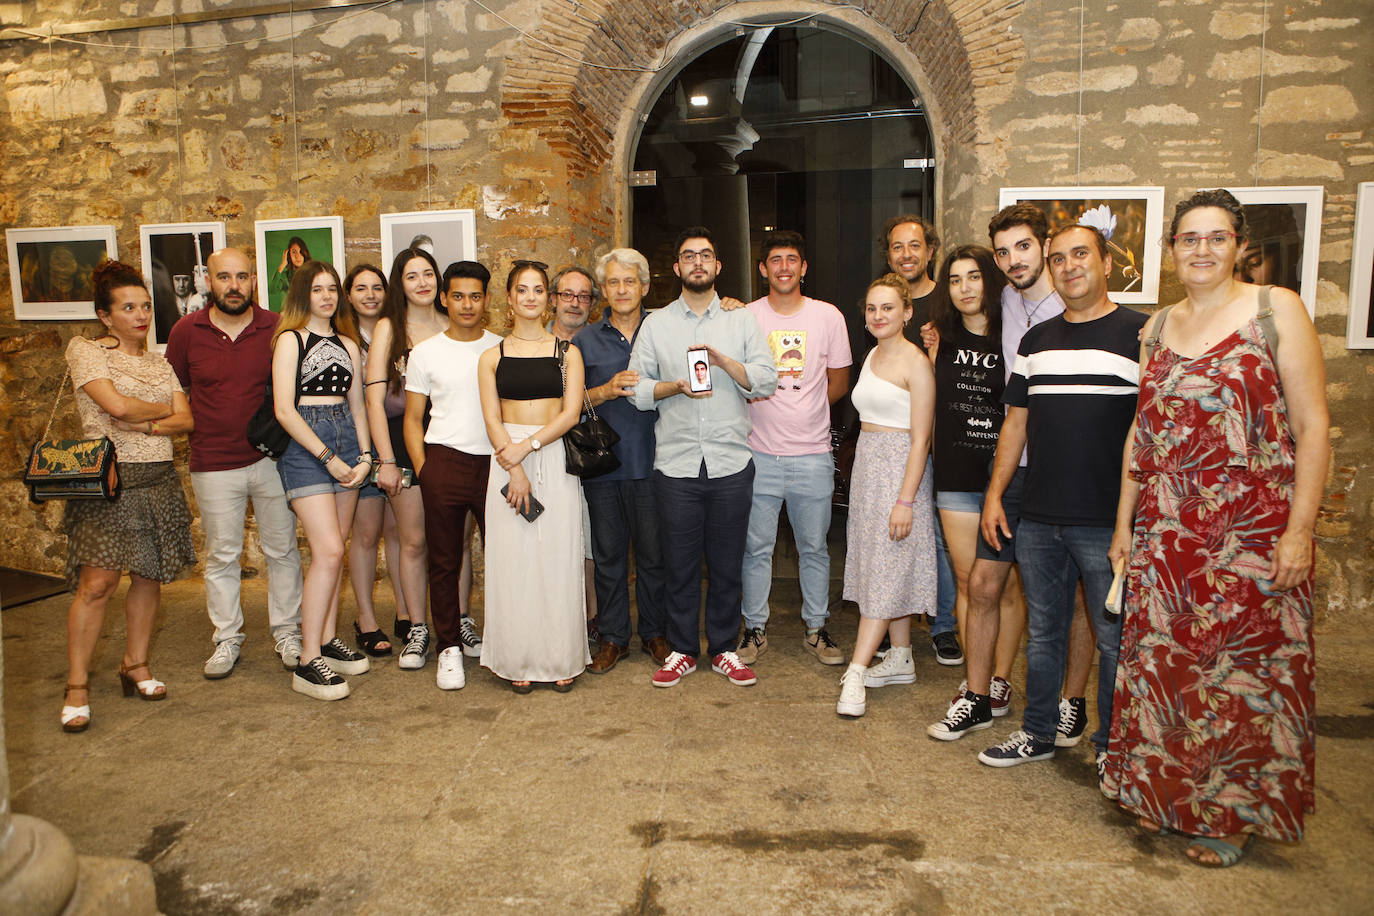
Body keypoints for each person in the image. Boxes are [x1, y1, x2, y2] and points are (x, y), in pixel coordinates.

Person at [1103, 189, 1327, 867]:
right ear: (1171, 249)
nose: (1202, 249)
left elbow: (1314, 426)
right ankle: (1167, 797)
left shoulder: (1274, 310)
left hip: (1253, 531)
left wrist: (1300, 529)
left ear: (1238, 244)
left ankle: (1229, 815)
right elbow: (1142, 434)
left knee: (1239, 677)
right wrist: (1125, 525)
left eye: (1216, 237)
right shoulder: (1154, 328)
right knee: (1168, 673)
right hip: (1170, 532)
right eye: (1189, 238)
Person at [975, 225, 1147, 767]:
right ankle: (1038, 733)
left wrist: (1129, 522)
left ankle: (1110, 749)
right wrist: (996, 495)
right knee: (1044, 633)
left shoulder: (1141, 336)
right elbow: (1015, 425)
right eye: (1059, 258)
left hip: (1105, 523)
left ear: (1105, 261)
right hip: (1039, 518)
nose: (1070, 266)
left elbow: (1147, 436)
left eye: (1081, 254)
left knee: (1114, 641)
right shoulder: (1036, 340)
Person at [926, 205, 1093, 741]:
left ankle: (1071, 702)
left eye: (1023, 247)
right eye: (1004, 251)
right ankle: (976, 696)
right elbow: (942, 289)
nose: (1013, 259)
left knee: (1072, 596)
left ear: (1043, 246)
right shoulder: (1004, 301)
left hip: (1069, 470)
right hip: (1015, 469)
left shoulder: (1070, 304)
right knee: (983, 581)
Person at [630, 226, 779, 689]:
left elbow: (767, 380)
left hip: (731, 462)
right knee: (679, 562)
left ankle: (723, 649)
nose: (698, 263)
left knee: (728, 561)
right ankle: (681, 650)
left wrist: (723, 361)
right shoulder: (656, 324)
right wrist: (672, 386)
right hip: (675, 465)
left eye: (706, 256)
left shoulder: (740, 322)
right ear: (676, 268)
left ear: (718, 267)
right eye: (689, 256)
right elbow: (634, 388)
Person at [58, 259, 196, 732]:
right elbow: (113, 406)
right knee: (97, 585)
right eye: (128, 307)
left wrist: (147, 418)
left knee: (147, 577)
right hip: (108, 481)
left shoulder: (159, 362)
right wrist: (161, 412)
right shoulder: (87, 352)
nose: (140, 315)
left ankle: (135, 664)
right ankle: (77, 684)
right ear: (105, 315)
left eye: (145, 306)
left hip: (157, 477)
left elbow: (187, 420)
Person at [166, 247, 304, 680]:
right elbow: (175, 392)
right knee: (221, 555)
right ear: (209, 281)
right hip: (213, 462)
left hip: (272, 460)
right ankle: (227, 638)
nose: (233, 285)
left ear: (254, 281)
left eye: (242, 276)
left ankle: (287, 633)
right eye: (224, 277)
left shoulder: (278, 327)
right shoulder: (186, 331)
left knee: (282, 550)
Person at [736, 230, 851, 667]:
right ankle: (755, 629)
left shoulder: (828, 317)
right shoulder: (745, 317)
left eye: (792, 260)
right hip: (758, 454)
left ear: (803, 268)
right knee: (756, 548)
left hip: (812, 455)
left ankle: (817, 628)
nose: (784, 267)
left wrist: (802, 410)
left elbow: (839, 379)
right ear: (763, 269)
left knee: (814, 548)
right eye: (775, 260)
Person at [476, 260, 589, 692]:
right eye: (521, 290)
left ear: (549, 298)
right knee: (513, 561)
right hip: (507, 461)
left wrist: (530, 447)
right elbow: (491, 419)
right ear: (509, 299)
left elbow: (571, 413)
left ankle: (560, 656)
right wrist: (516, 464)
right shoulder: (491, 357)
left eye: (538, 290)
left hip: (553, 453)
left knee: (558, 559)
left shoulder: (567, 353)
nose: (530, 297)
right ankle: (517, 659)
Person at [897, 246, 1004, 697]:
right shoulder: (939, 337)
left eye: (974, 277)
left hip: (1007, 473)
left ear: (990, 281)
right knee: (967, 580)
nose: (965, 288)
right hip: (956, 475)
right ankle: (975, 676)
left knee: (1005, 584)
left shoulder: (1014, 336)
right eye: (956, 280)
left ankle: (999, 681)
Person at [835, 274, 936, 718]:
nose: (878, 316)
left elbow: (921, 440)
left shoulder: (916, 362)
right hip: (868, 468)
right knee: (880, 564)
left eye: (888, 308)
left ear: (907, 312)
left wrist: (906, 500)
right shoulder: (872, 354)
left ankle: (857, 670)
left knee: (887, 565)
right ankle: (900, 657)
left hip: (899, 470)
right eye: (872, 309)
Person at [272, 260, 373, 700]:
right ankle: (308, 659)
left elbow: (357, 406)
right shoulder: (289, 341)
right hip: (306, 449)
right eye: (318, 289)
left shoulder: (349, 345)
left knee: (338, 551)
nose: (328, 296)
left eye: (333, 288)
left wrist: (366, 455)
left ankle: (328, 638)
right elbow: (284, 410)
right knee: (328, 550)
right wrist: (328, 457)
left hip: (348, 441)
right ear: (302, 295)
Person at [367, 248, 469, 670]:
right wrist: (386, 461)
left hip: (452, 441)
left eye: (429, 274)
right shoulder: (390, 328)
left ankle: (460, 620)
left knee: (458, 541)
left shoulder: (454, 324)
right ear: (400, 284)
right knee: (414, 540)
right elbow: (374, 400)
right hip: (402, 441)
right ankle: (418, 627)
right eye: (412, 276)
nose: (423, 283)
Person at [405, 261, 502, 690]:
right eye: (458, 296)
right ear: (445, 298)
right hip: (443, 460)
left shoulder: (502, 348)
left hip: (497, 463)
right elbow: (412, 419)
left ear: (486, 300)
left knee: (505, 558)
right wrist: (425, 470)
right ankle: (448, 649)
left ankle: (506, 643)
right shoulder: (426, 352)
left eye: (475, 296)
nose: (466, 304)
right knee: (444, 561)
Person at [576, 249, 670, 672]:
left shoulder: (665, 329)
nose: (621, 289)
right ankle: (614, 638)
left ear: (645, 287)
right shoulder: (584, 340)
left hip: (658, 463)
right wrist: (605, 391)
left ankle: (654, 633)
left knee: (655, 556)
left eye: (629, 281)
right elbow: (568, 403)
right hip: (605, 466)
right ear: (604, 291)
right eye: (613, 282)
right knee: (609, 557)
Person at [342, 264, 402, 657]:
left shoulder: (395, 330)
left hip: (393, 441)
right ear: (348, 294)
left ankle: (406, 612)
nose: (370, 294)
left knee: (400, 534)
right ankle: (365, 618)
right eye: (360, 288)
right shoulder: (339, 336)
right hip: (355, 445)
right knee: (365, 535)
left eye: (377, 287)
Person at [550, 265, 601, 642]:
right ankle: (553, 617)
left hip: (587, 456)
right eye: (567, 294)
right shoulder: (531, 342)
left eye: (583, 296)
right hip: (543, 453)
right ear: (553, 299)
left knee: (588, 542)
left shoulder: (598, 343)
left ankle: (590, 618)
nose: (575, 303)